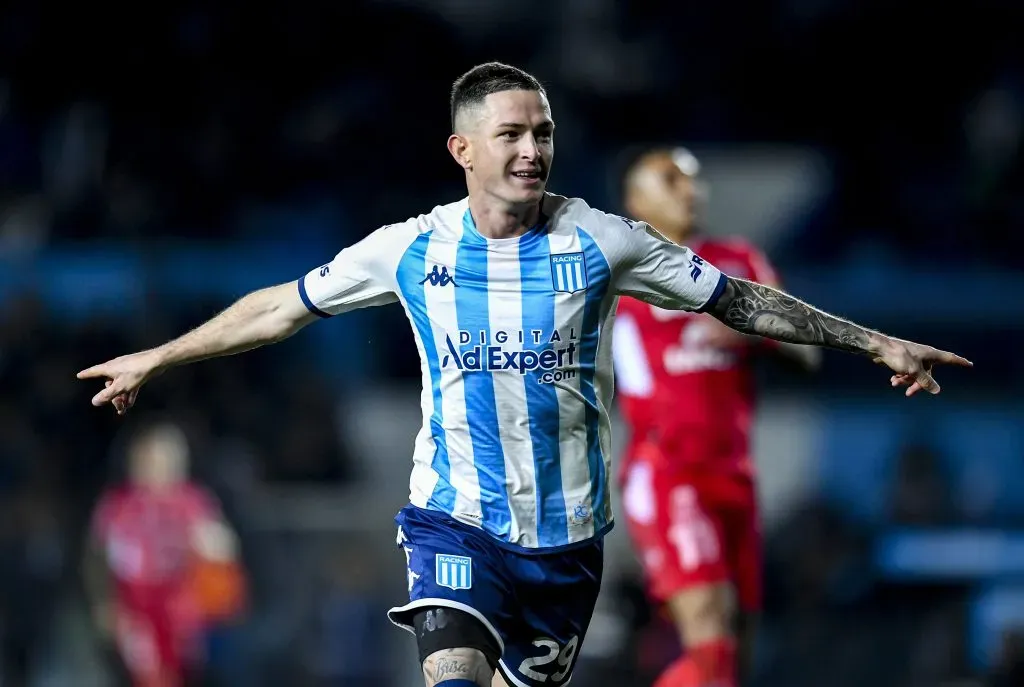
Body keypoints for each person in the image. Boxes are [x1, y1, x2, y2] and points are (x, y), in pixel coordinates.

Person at [77, 62, 971, 687]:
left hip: (567, 544)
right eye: (510, 134)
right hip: (453, 521)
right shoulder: (412, 250)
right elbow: (280, 306)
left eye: (542, 132)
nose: (533, 149)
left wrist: (876, 343)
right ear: (462, 149)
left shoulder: (601, 240)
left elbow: (737, 301)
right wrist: (157, 357)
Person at [613, 147, 819, 687]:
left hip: (735, 476)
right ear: (635, 202)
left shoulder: (741, 262)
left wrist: (762, 329)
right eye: (670, 181)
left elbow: (809, 353)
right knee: (711, 634)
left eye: (694, 180)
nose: (689, 190)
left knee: (734, 661)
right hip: (666, 471)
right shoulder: (614, 274)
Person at [85, 420, 244, 687]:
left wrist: (217, 548)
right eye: (153, 460)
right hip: (135, 614)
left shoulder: (193, 502)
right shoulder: (117, 505)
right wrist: (105, 603)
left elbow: (223, 552)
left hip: (182, 614)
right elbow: (96, 558)